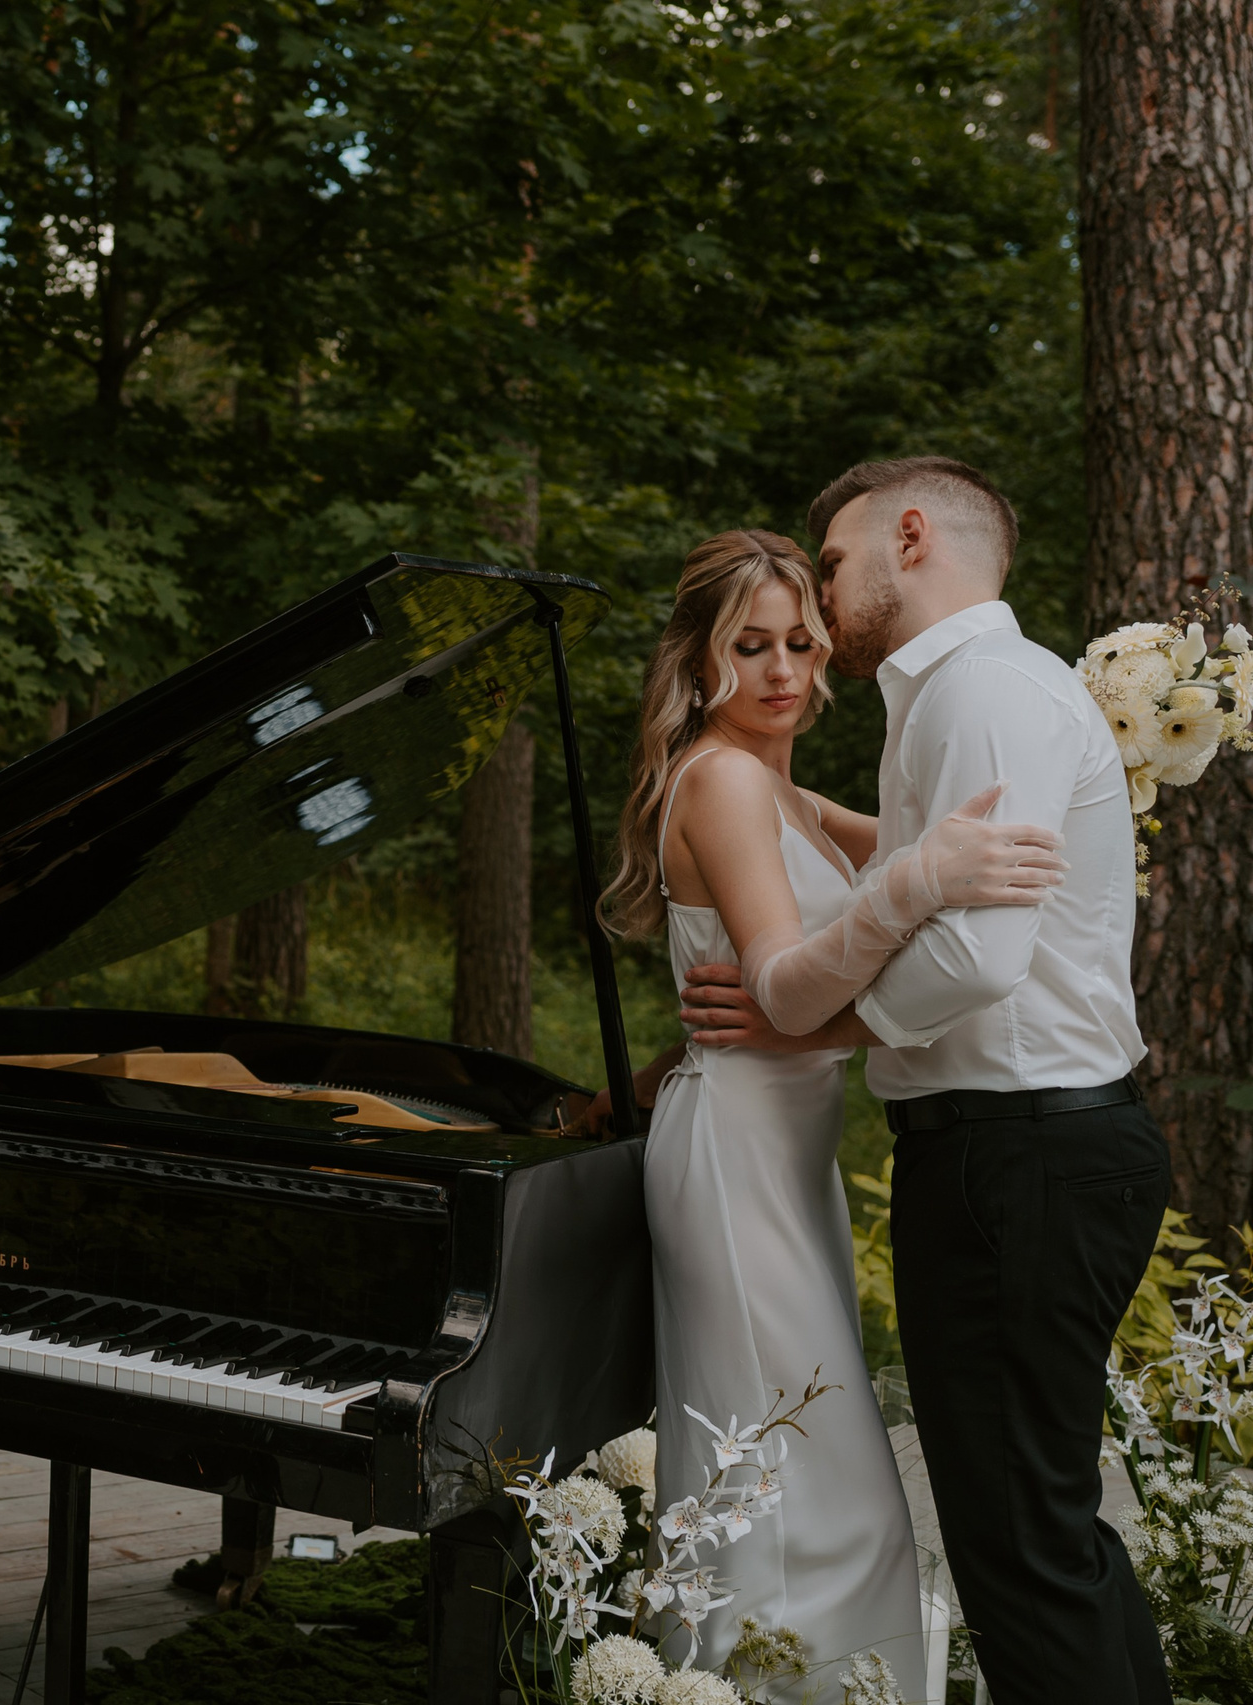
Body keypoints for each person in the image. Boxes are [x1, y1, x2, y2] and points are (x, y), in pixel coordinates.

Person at [675, 460, 1170, 1705]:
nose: (821, 607)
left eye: (829, 567)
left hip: (1020, 1159)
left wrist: (826, 1029)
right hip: (1024, 1152)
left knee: (1022, 1556)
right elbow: (895, 883)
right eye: (763, 637)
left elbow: (976, 955)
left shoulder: (976, 696)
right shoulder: (971, 695)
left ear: (907, 535)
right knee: (1045, 1541)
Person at [585, 525, 1067, 1700]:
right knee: (800, 1470)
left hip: (779, 1146)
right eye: (748, 647)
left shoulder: (785, 789)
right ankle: (764, 1683)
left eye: (802, 642)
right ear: (698, 662)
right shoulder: (722, 779)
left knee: (801, 1463)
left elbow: (916, 855)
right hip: (735, 1152)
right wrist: (918, 879)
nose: (785, 672)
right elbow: (780, 983)